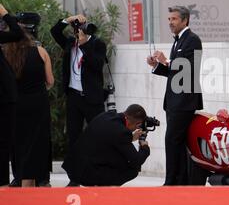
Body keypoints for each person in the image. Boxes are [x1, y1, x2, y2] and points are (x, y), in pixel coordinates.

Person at [146, 6, 203, 185]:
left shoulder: (193, 40)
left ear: (185, 20)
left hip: (184, 101)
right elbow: (175, 74)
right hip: (174, 101)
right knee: (176, 142)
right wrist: (157, 65)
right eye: (169, 19)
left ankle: (171, 181)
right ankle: (180, 180)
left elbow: (190, 69)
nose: (170, 23)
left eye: (174, 19)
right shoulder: (178, 41)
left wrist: (166, 61)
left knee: (172, 140)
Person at [3, 13, 54, 188]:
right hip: (38, 103)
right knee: (37, 142)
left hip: (16, 104)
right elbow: (50, 81)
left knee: (18, 142)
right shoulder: (41, 52)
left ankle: (20, 178)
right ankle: (36, 180)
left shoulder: (7, 54)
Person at [50, 15, 106, 150]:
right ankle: (75, 169)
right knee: (74, 135)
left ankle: (97, 168)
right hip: (74, 97)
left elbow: (97, 65)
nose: (79, 30)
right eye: (77, 27)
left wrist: (84, 44)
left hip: (92, 97)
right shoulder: (70, 43)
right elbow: (55, 32)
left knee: (98, 133)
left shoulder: (98, 44)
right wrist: (68, 20)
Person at [62, 105, 151, 186]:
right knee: (132, 170)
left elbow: (108, 140)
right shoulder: (122, 132)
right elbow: (136, 160)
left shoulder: (107, 116)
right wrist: (144, 147)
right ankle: (105, 190)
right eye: (137, 127)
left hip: (74, 167)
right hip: (87, 174)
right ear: (138, 124)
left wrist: (130, 138)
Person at [0, 4, 24, 187]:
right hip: (6, 97)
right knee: (4, 141)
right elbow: (17, 33)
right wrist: (5, 13)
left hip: (7, 96)